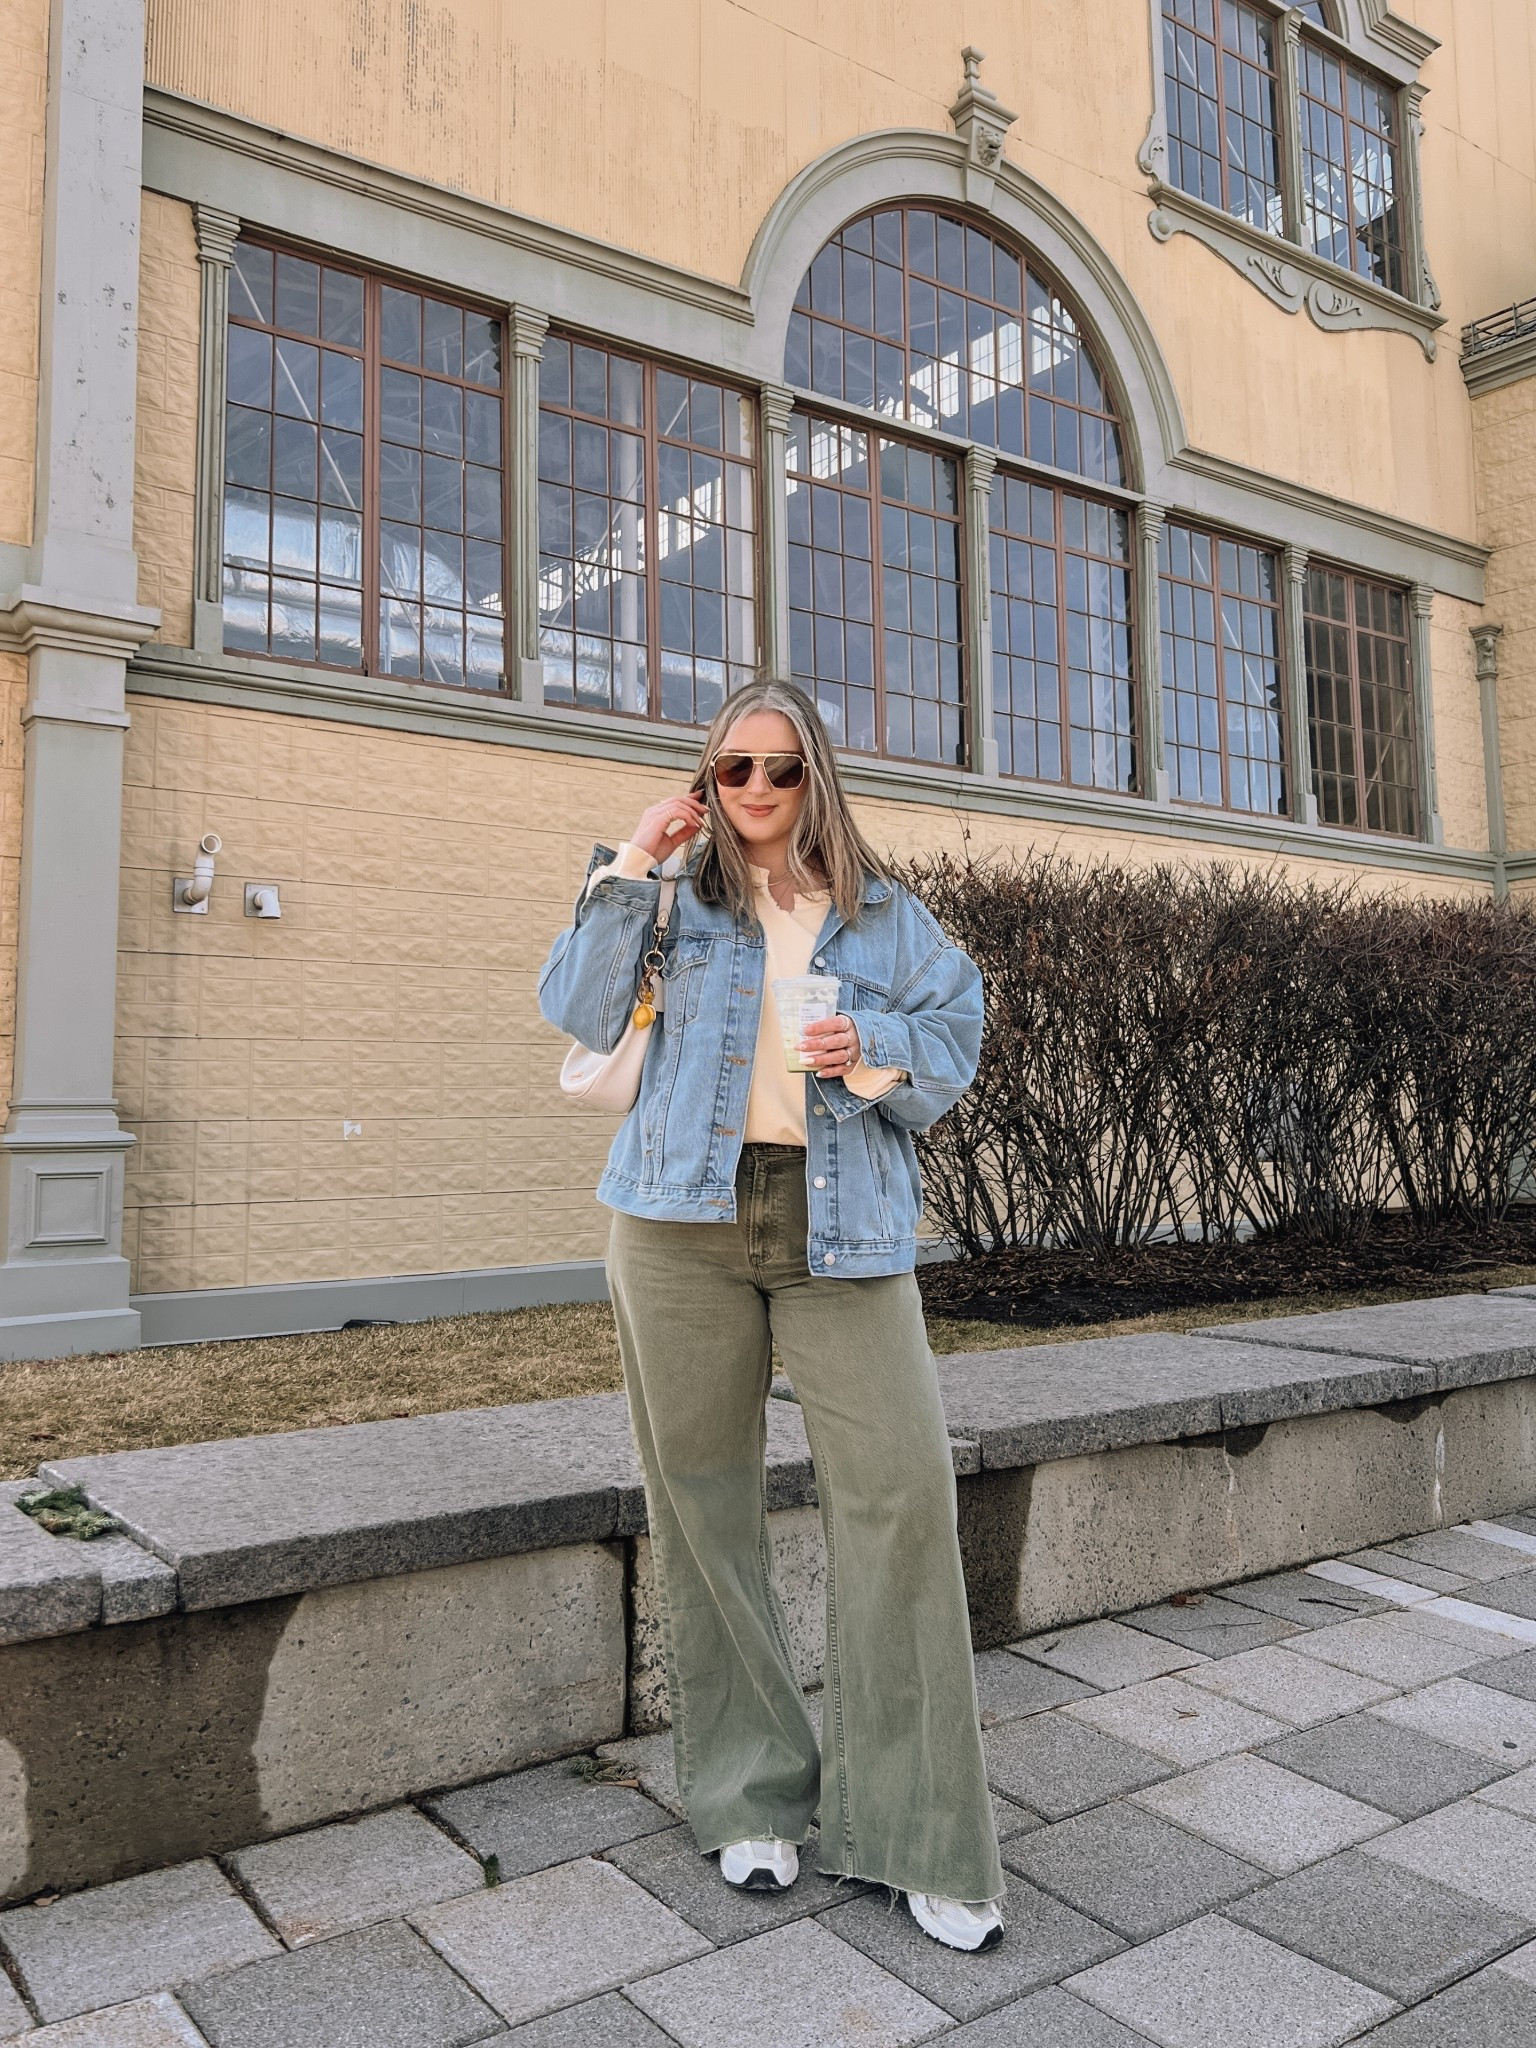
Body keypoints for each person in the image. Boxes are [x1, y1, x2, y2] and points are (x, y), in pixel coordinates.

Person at [537, 677, 1005, 1949]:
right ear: (708, 776)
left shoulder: (884, 914)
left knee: (902, 1499)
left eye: (780, 769)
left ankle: (917, 1829)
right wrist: (635, 853)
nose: (754, 792)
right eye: (732, 769)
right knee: (702, 1505)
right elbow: (573, 1008)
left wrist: (873, 1043)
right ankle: (750, 1792)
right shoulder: (669, 900)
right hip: (674, 1224)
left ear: (819, 778)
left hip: (841, 1225)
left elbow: (959, 1036)